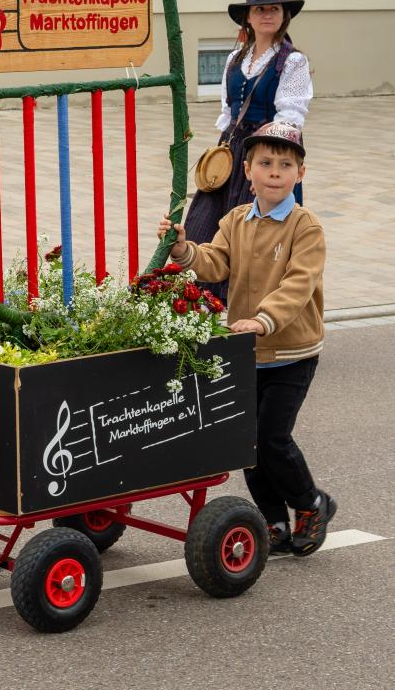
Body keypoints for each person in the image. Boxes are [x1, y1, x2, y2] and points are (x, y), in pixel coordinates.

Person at [159, 120, 335, 559]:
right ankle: (273, 521)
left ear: (300, 174)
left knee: (273, 437)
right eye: (265, 162)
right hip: (247, 352)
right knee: (247, 444)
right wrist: (184, 251)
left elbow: (299, 282)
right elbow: (215, 262)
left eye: (286, 164)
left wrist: (263, 319)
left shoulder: (305, 226)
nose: (275, 171)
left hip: (291, 352)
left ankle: (311, 504)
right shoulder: (235, 219)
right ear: (246, 169)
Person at [184, 0, 312, 303]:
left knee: (262, 233)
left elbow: (289, 118)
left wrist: (267, 168)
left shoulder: (291, 61)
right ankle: (210, 302)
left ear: (284, 16)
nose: (267, 15)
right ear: (248, 18)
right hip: (233, 151)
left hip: (270, 151)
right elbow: (228, 111)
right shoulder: (235, 58)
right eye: (260, 9)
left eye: (274, 9)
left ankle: (259, 307)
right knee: (209, 222)